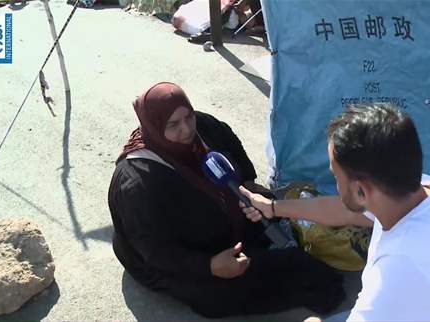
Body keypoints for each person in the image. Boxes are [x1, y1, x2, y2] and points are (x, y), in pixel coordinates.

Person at [240, 103, 430, 322]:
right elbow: (343, 209)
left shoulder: (398, 267)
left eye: (335, 176)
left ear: (362, 192)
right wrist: (274, 208)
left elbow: (395, 283)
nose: (335, 184)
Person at [107, 82, 345, 318]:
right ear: (154, 127)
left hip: (221, 219)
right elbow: (157, 253)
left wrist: (252, 193)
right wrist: (210, 265)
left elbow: (240, 164)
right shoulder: (138, 181)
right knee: (224, 291)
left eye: (188, 117)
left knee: (280, 217)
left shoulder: (205, 128)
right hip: (174, 260)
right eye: (174, 125)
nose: (187, 129)